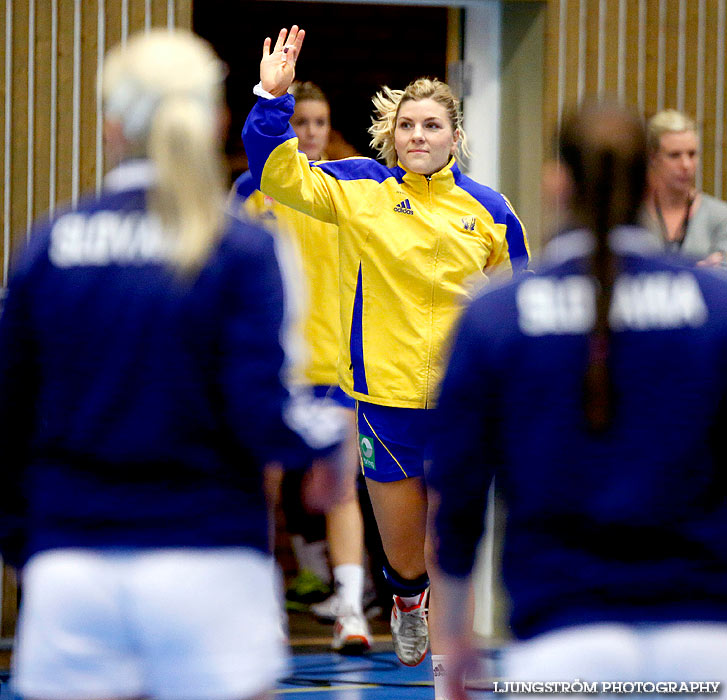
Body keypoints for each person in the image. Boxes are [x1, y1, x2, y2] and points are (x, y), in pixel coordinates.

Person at [0, 29, 350, 700]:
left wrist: (34, 553)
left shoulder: (49, 244)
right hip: (207, 564)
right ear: (215, 120)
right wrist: (327, 437)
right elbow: (261, 410)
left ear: (110, 127)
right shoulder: (244, 248)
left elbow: (8, 422)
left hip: (74, 566)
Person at [241, 25, 530, 695]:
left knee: (447, 540)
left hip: (462, 404)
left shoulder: (489, 211)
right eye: (407, 125)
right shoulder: (357, 188)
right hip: (384, 401)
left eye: (432, 125)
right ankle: (405, 601)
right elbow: (275, 174)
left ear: (455, 137)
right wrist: (270, 98)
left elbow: (520, 308)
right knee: (405, 556)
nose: (418, 135)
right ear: (392, 135)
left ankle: (448, 657)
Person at [430, 102, 727, 700]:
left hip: (563, 647)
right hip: (704, 641)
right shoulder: (714, 307)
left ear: (556, 182)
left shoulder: (498, 316)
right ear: (649, 177)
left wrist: (453, 637)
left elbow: (458, 496)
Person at [232, 80, 374, 654]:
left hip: (336, 365)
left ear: (330, 127)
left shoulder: (349, 188)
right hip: (272, 369)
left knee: (340, 490)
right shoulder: (251, 189)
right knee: (261, 491)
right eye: (299, 122)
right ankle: (262, 607)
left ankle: (351, 612)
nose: (308, 132)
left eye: (318, 122)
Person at [643, 108, 727, 266]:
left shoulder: (721, 217)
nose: (686, 165)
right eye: (674, 155)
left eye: (692, 154)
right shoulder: (633, 215)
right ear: (653, 157)